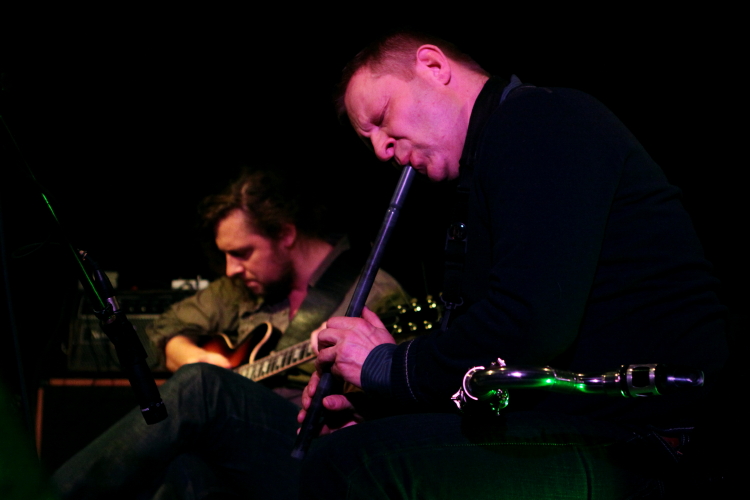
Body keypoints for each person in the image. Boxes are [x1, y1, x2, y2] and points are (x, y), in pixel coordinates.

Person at [298, 31, 729, 499]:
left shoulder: (539, 119)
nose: (382, 149)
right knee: (341, 449)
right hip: (583, 427)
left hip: (649, 444)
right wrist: (384, 408)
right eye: (370, 140)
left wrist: (389, 367)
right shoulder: (490, 161)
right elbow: (492, 375)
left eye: (382, 117)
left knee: (348, 465)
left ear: (433, 67)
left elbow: (528, 325)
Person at [51, 167, 409, 499]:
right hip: (245, 446)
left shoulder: (373, 292)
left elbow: (393, 400)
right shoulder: (242, 287)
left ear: (285, 234)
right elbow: (166, 326)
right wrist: (192, 355)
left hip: (316, 446)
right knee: (185, 467)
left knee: (202, 386)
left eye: (241, 253)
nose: (231, 269)